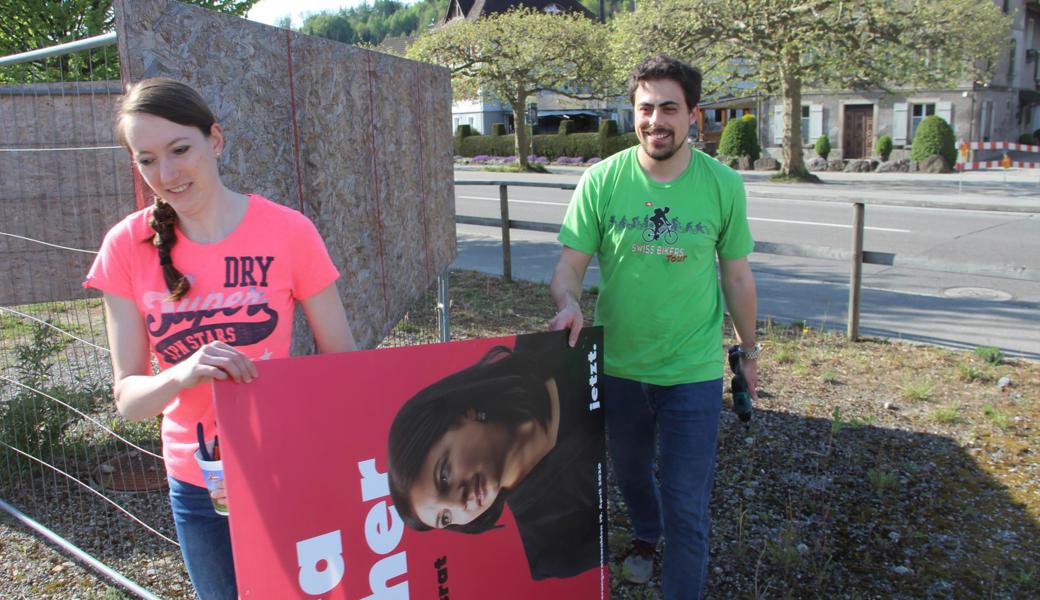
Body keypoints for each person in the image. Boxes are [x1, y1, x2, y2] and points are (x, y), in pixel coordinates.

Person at [84, 78, 356, 600]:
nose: (166, 174)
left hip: (287, 470)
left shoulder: (289, 232)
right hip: (198, 487)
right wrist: (186, 371)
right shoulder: (125, 247)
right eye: (146, 160)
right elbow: (129, 401)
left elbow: (343, 364)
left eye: (180, 149)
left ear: (216, 140)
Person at [549, 55, 760, 600]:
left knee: (688, 505)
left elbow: (736, 277)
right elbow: (569, 266)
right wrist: (569, 303)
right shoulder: (602, 180)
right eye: (646, 108)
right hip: (620, 367)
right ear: (633, 112)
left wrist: (749, 352)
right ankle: (645, 535)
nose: (655, 120)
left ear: (694, 115)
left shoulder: (723, 185)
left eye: (670, 107)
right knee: (632, 475)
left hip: (692, 371)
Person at [387, 330, 605, 581]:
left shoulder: (539, 344)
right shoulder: (553, 548)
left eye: (444, 477)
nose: (460, 504)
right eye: (446, 518)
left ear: (458, 417)